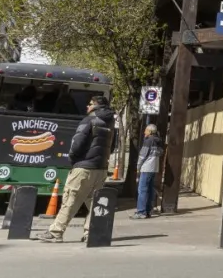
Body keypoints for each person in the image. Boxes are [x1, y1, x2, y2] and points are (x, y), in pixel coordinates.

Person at [37, 95, 115, 243]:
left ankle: (56, 232)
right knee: (94, 202)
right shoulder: (110, 123)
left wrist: (73, 160)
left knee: (70, 199)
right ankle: (90, 233)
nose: (87, 106)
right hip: (101, 168)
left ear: (96, 106)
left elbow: (77, 143)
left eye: (90, 104)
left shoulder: (89, 120)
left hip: (84, 167)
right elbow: (112, 146)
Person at [131, 124, 164, 220]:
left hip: (146, 167)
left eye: (146, 130)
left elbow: (142, 156)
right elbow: (161, 152)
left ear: (150, 132)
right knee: (150, 190)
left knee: (142, 190)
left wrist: (138, 166)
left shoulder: (148, 141)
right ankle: (148, 211)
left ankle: (141, 212)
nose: (144, 132)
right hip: (154, 168)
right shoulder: (158, 141)